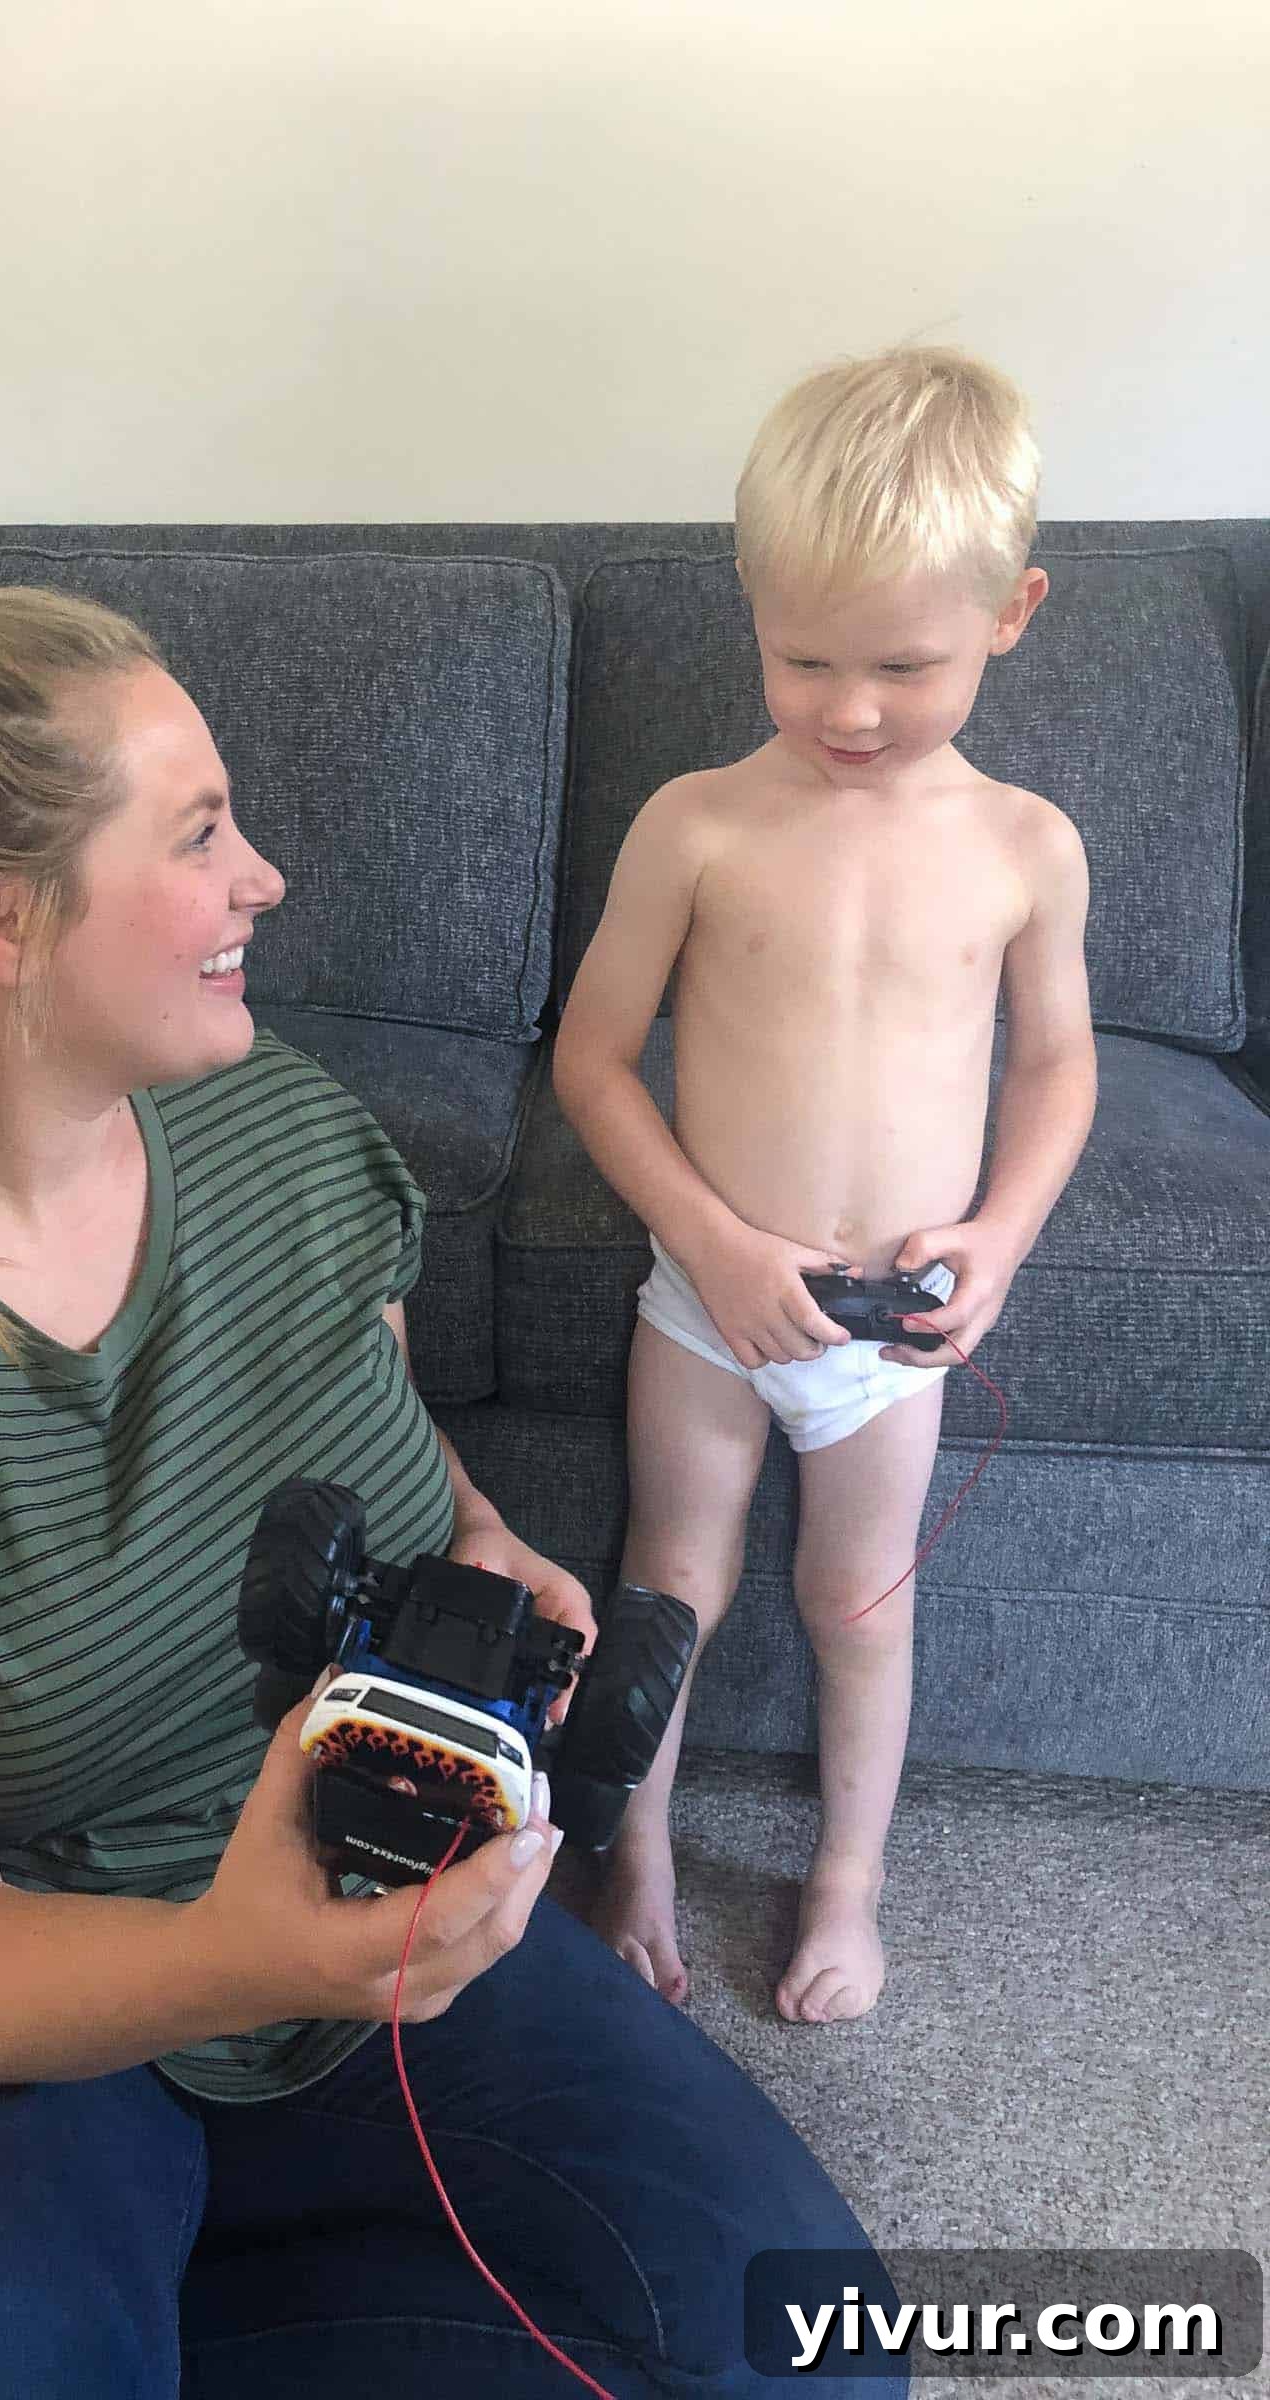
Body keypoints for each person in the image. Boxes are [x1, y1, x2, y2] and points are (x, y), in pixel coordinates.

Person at [0, 575, 905, 2397]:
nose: (265, 877)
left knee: (812, 2351)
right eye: (200, 836)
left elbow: (385, 1445)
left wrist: (492, 1554)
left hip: (335, 1893)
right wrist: (233, 1956)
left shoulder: (275, 1128)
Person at [554, 348, 1097, 2025]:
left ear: (1012, 612)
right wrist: (707, 1242)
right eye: (802, 658)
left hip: (893, 1328)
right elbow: (588, 1060)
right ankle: (629, 1847)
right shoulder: (698, 824)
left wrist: (1001, 1238)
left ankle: (847, 1887)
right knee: (675, 1588)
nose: (848, 708)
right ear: (750, 609)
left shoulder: (1025, 843)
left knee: (859, 1605)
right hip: (710, 1300)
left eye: (903, 664)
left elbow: (1058, 1065)